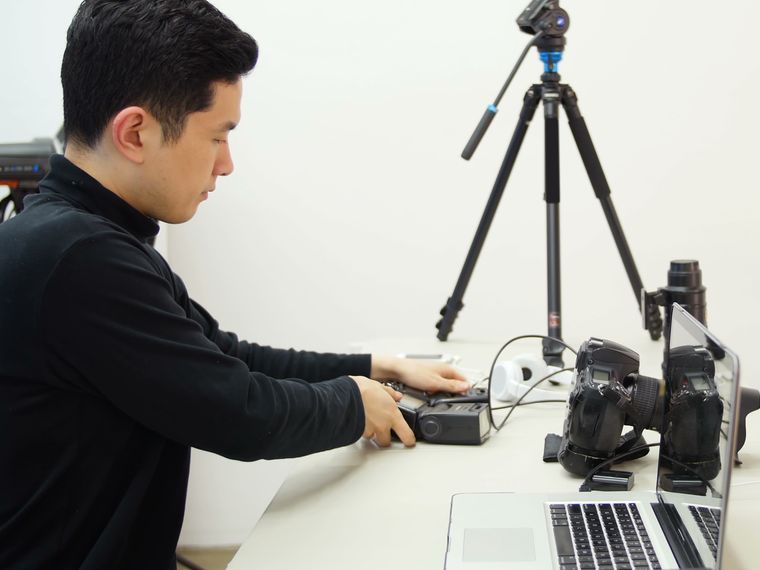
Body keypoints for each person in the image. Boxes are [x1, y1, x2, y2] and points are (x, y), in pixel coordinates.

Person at [0, 1, 469, 567]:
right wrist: (353, 401)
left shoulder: (89, 237)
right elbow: (239, 413)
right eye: (218, 136)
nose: (226, 164)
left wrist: (377, 367)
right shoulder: (79, 257)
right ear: (134, 132)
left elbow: (224, 358)